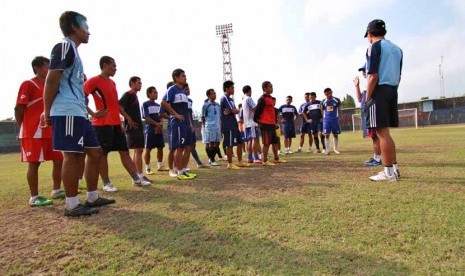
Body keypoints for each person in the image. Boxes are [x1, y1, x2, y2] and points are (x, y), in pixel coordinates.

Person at [43, 11, 115, 217]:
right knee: (72, 155)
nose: (88, 30)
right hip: (66, 112)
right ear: (74, 27)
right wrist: (46, 111)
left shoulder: (74, 51)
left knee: (95, 152)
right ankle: (72, 204)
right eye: (84, 25)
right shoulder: (64, 46)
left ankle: (92, 197)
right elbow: (51, 79)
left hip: (79, 112)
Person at [84, 57, 151, 192]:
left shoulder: (112, 83)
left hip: (116, 124)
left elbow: (115, 105)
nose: (115, 68)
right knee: (103, 154)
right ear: (105, 65)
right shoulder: (93, 81)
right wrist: (93, 113)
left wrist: (120, 121)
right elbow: (80, 96)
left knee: (125, 152)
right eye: (113, 66)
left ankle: (136, 178)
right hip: (102, 124)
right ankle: (106, 183)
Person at [14, 56, 64, 207]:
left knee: (59, 160)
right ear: (37, 68)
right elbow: (18, 108)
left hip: (50, 130)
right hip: (33, 132)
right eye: (47, 66)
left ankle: (56, 190)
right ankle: (34, 197)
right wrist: (21, 129)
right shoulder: (28, 84)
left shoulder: (52, 85)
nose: (49, 69)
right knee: (34, 164)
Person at [363, 19, 403, 181]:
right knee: (386, 133)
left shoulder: (374, 47)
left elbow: (372, 75)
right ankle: (394, 169)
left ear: (370, 34)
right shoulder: (398, 49)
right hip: (392, 90)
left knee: (381, 132)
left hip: (378, 90)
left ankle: (387, 173)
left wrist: (367, 98)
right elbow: (399, 76)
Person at [161, 69, 196, 180]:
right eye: (183, 76)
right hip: (177, 123)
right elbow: (163, 103)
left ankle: (182, 169)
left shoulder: (183, 92)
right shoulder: (172, 89)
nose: (185, 77)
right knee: (178, 147)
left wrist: (190, 124)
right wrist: (175, 114)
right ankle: (179, 171)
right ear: (176, 78)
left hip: (185, 124)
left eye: (185, 75)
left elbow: (186, 111)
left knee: (187, 146)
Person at [119, 76, 153, 184]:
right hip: (132, 127)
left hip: (137, 127)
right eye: (139, 83)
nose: (141, 84)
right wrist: (128, 118)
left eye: (141, 83)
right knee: (138, 150)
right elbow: (119, 106)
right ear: (132, 83)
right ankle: (139, 176)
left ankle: (137, 175)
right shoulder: (128, 94)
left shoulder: (134, 96)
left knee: (138, 150)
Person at [354, 64, 381, 166]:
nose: (363, 72)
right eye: (362, 71)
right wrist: (357, 86)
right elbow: (360, 98)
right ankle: (376, 157)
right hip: (366, 111)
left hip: (372, 109)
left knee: (376, 135)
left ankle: (378, 159)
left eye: (365, 70)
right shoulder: (367, 84)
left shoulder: (373, 82)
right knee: (373, 136)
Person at [254, 81, 285, 165]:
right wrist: (259, 122)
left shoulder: (270, 98)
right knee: (266, 143)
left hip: (272, 124)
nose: (272, 88)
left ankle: (276, 158)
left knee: (275, 142)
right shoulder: (262, 99)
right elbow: (256, 113)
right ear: (265, 88)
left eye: (272, 86)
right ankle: (264, 161)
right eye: (270, 87)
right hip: (265, 125)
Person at [220, 80, 248, 169]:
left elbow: (234, 110)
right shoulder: (224, 98)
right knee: (230, 144)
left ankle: (239, 162)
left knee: (240, 142)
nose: (233, 89)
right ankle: (230, 164)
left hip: (234, 123)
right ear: (226, 89)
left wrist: (233, 111)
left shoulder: (231, 99)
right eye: (232, 88)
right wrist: (234, 111)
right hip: (228, 125)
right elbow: (234, 110)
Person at [141, 86, 169, 174]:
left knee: (160, 148)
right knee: (148, 149)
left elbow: (162, 116)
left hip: (159, 130)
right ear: (149, 94)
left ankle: (160, 166)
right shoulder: (145, 104)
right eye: (154, 92)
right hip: (150, 130)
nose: (156, 94)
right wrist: (156, 125)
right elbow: (147, 118)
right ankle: (147, 168)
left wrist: (163, 127)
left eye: (157, 92)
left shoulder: (158, 105)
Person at [185, 83, 209, 169]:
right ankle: (181, 167)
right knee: (185, 146)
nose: (188, 91)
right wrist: (190, 124)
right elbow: (186, 114)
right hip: (185, 126)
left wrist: (192, 124)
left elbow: (190, 113)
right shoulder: (182, 101)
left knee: (192, 145)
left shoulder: (190, 100)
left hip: (191, 126)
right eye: (186, 89)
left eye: (189, 89)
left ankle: (198, 162)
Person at [241, 85, 262, 163]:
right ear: (249, 90)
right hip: (252, 123)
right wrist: (259, 103)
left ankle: (250, 157)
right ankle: (256, 157)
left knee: (250, 141)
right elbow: (254, 108)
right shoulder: (249, 98)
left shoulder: (243, 99)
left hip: (246, 123)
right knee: (255, 140)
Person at [201, 89, 222, 166]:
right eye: (213, 94)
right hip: (210, 126)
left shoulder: (218, 105)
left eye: (215, 93)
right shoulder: (206, 105)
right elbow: (203, 117)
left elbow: (219, 116)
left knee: (217, 143)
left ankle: (211, 158)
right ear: (209, 95)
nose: (215, 95)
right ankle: (212, 160)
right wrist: (205, 126)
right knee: (211, 143)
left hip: (217, 126)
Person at [321, 88, 342, 155]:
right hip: (327, 120)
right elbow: (322, 110)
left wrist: (339, 116)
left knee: (335, 135)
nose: (329, 95)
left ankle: (335, 149)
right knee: (326, 135)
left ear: (332, 92)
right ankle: (327, 150)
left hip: (335, 120)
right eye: (327, 94)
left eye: (330, 93)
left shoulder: (337, 100)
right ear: (325, 94)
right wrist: (324, 118)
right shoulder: (323, 101)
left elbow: (339, 109)